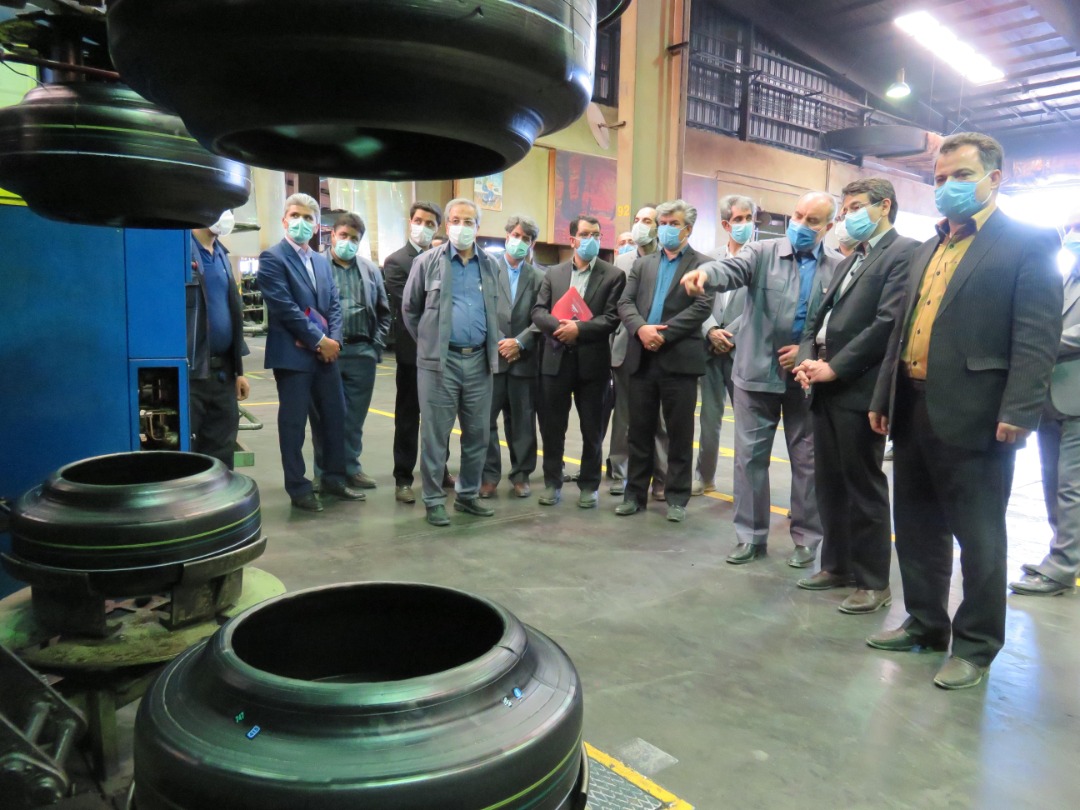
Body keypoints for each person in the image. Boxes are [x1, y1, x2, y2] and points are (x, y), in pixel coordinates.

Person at [867, 132, 1062, 690]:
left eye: (960, 176)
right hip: (913, 404)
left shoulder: (1027, 242)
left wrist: (1020, 409)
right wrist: (884, 398)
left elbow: (1036, 335)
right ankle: (925, 623)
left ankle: (976, 645)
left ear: (994, 179)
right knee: (917, 525)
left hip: (979, 414)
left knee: (979, 537)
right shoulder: (928, 247)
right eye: (940, 178)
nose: (947, 186)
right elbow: (901, 333)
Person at [682, 191, 842, 566]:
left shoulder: (838, 267)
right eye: (797, 216)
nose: (801, 225)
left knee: (808, 461)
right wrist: (706, 274)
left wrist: (809, 351)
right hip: (755, 374)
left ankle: (807, 538)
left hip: (805, 378)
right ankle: (751, 536)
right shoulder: (760, 253)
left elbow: (840, 321)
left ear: (829, 226)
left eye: (812, 221)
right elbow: (730, 270)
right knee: (750, 459)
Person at [792, 179, 918, 614]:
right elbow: (816, 319)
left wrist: (835, 367)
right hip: (825, 384)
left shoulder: (903, 253)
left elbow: (886, 324)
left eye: (856, 207)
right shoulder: (852, 259)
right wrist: (807, 361)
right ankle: (837, 565)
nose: (848, 216)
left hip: (859, 388)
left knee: (863, 486)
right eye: (845, 209)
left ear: (884, 206)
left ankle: (873, 581)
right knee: (829, 482)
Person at [257, 193, 365, 511]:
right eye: (295, 216)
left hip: (325, 357)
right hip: (293, 357)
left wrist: (334, 341)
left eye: (308, 218)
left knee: (334, 418)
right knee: (294, 425)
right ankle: (298, 487)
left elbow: (334, 304)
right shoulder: (272, 258)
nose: (301, 222)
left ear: (317, 226)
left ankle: (334, 479)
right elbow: (285, 308)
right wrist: (320, 341)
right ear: (284, 220)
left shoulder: (320, 260)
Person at [402, 198, 501, 527]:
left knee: (477, 435)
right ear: (447, 225)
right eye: (455, 220)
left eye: (468, 221)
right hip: (439, 365)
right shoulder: (426, 262)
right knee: (435, 436)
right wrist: (431, 343)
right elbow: (410, 310)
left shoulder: (490, 265)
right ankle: (433, 500)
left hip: (479, 363)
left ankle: (467, 495)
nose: (461, 226)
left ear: (478, 227)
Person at [615, 200, 713, 521]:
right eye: (664, 223)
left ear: (688, 229)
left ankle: (677, 499)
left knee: (679, 433)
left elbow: (702, 308)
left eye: (674, 223)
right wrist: (641, 329)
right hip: (642, 357)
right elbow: (625, 302)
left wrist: (663, 334)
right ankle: (634, 495)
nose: (667, 229)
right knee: (638, 431)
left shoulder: (704, 265)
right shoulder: (643, 265)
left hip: (679, 360)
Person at [532, 214, 625, 508]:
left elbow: (612, 318)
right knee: (552, 428)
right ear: (572, 239)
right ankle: (552, 482)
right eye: (585, 235)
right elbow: (538, 311)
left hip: (593, 364)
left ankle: (589, 485)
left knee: (592, 429)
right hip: (555, 361)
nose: (591, 240)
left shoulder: (613, 275)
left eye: (596, 235)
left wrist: (579, 329)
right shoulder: (553, 273)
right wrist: (560, 328)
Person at [1011, 212, 1080, 597]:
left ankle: (1062, 567)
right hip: (1052, 398)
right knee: (1054, 482)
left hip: (1076, 399)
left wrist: (1033, 341)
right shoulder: (1068, 277)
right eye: (1071, 229)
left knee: (1072, 487)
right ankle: (1062, 554)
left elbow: (1062, 334)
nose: (1072, 236)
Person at [310, 213, 391, 490]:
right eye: (343, 235)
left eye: (354, 238)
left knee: (354, 418)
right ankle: (324, 472)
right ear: (332, 235)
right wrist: (318, 342)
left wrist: (375, 345)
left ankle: (351, 468)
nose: (348, 241)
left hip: (361, 352)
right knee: (323, 417)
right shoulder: (316, 265)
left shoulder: (370, 270)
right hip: (325, 354)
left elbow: (384, 312)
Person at [383, 201, 452, 504]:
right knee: (408, 418)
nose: (423, 227)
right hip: (413, 354)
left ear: (438, 228)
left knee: (441, 419)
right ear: (410, 222)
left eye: (430, 223)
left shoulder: (447, 258)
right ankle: (403, 478)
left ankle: (440, 470)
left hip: (445, 354)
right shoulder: (397, 261)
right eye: (419, 220)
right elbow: (411, 306)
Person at [692, 194, 752, 496]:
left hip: (743, 352)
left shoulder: (762, 259)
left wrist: (728, 334)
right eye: (738, 219)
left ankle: (746, 484)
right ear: (726, 224)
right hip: (710, 350)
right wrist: (711, 330)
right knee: (709, 419)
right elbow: (699, 302)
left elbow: (759, 306)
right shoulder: (709, 259)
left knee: (748, 424)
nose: (744, 224)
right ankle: (704, 476)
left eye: (749, 218)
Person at [481, 215, 545, 499]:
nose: (519, 241)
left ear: (532, 244)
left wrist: (520, 342)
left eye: (525, 238)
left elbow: (542, 316)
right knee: (485, 420)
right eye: (516, 235)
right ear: (507, 236)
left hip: (523, 359)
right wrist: (498, 340)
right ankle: (488, 476)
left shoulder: (540, 277)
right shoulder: (486, 268)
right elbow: (479, 308)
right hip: (492, 357)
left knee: (523, 421)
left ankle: (521, 475)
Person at [609, 204, 668, 499]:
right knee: (624, 417)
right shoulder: (622, 261)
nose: (640, 225)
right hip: (627, 346)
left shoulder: (668, 259)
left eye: (647, 220)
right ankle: (620, 473)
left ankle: (661, 477)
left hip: (661, 346)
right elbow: (616, 306)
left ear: (658, 227)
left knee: (660, 420)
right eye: (637, 219)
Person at [188, 210, 250, 469]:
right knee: (187, 451)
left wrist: (238, 372)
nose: (226, 215)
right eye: (221, 207)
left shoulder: (222, 255)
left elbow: (233, 312)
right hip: (192, 373)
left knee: (222, 449)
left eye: (230, 209)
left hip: (223, 373)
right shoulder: (181, 250)